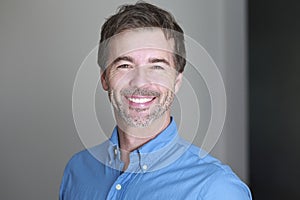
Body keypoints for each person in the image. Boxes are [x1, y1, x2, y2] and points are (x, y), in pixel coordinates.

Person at [59, 2, 252, 199]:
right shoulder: (77, 171)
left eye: (157, 66)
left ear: (177, 81)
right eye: (125, 65)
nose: (140, 82)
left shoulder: (216, 189)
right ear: (104, 78)